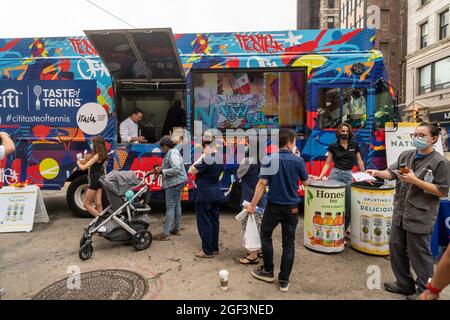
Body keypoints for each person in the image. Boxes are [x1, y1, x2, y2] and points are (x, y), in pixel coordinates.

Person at [367, 122, 450, 300]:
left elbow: (442, 191)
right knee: (396, 248)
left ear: (434, 139)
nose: (417, 138)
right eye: (415, 135)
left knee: (420, 255)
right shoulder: (406, 155)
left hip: (420, 215)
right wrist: (377, 173)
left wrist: (416, 181)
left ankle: (424, 290)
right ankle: (404, 284)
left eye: (422, 135)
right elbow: (392, 172)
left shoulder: (441, 162)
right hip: (400, 213)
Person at [246, 129, 311, 292]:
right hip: (293, 208)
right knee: (288, 244)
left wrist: (253, 205)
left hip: (273, 206)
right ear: (289, 143)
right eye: (294, 142)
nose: (295, 144)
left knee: (265, 235)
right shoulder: (298, 161)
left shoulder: (269, 159)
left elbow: (261, 185)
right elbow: (306, 182)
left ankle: (268, 271)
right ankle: (284, 281)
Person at [315, 123, 365, 231]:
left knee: (348, 206)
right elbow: (328, 163)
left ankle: (343, 231)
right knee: (332, 204)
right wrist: (320, 176)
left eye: (347, 131)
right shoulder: (333, 146)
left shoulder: (354, 145)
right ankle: (329, 229)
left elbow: (359, 161)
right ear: (338, 132)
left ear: (350, 133)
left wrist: (365, 176)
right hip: (335, 175)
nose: (345, 133)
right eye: (343, 131)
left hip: (348, 176)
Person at [188, 135, 224, 258]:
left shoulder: (206, 159)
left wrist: (202, 156)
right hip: (216, 193)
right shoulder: (219, 158)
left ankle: (207, 251)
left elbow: (191, 170)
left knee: (204, 222)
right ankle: (214, 248)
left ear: (205, 146)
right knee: (214, 221)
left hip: (204, 194)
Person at [237, 139, 267, 265]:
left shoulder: (248, 160)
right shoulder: (265, 161)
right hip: (261, 198)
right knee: (258, 226)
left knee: (250, 228)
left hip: (249, 199)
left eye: (247, 143)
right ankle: (259, 250)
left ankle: (252, 255)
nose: (245, 145)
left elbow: (239, 174)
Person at [153, 136, 188, 241]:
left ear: (165, 146)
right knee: (177, 205)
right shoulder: (174, 152)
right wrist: (162, 169)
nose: (162, 149)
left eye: (162, 147)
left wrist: (162, 171)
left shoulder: (172, 153)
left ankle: (165, 234)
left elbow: (176, 169)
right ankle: (176, 228)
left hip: (174, 183)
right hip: (179, 182)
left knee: (170, 208)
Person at [77, 136, 109, 217]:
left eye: (92, 143)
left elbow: (83, 168)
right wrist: (86, 158)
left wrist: (78, 162)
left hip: (94, 179)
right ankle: (101, 224)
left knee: (86, 204)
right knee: (98, 203)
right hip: (100, 178)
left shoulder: (96, 156)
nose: (91, 144)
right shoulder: (103, 155)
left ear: (96, 145)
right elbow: (92, 161)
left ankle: (101, 220)